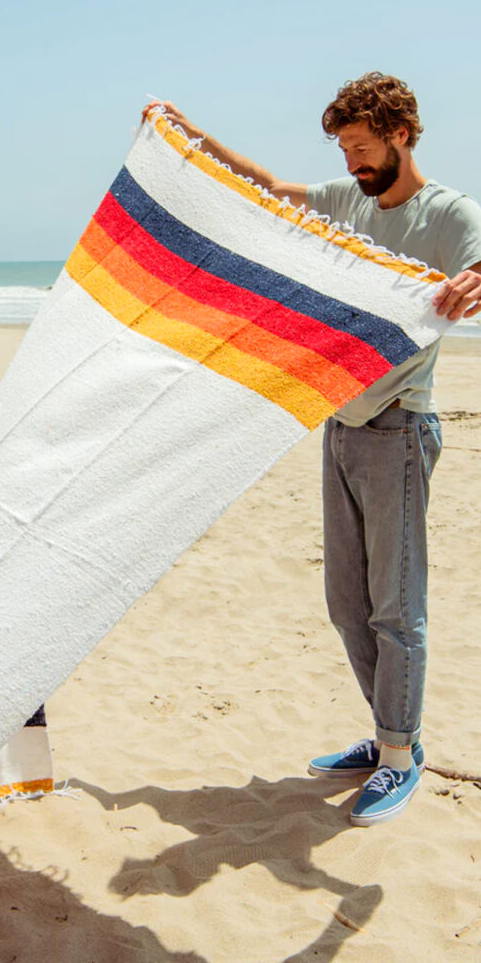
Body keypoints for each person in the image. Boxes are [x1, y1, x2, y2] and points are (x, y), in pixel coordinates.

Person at [142, 73, 481, 826]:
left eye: (361, 148)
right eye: (344, 151)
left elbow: (478, 265)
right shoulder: (348, 198)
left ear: (398, 136)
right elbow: (267, 187)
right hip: (338, 421)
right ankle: (389, 734)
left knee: (397, 606)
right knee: (344, 601)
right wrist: (191, 137)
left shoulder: (448, 213)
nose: (353, 163)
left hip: (398, 426)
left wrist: (473, 283)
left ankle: (399, 757)